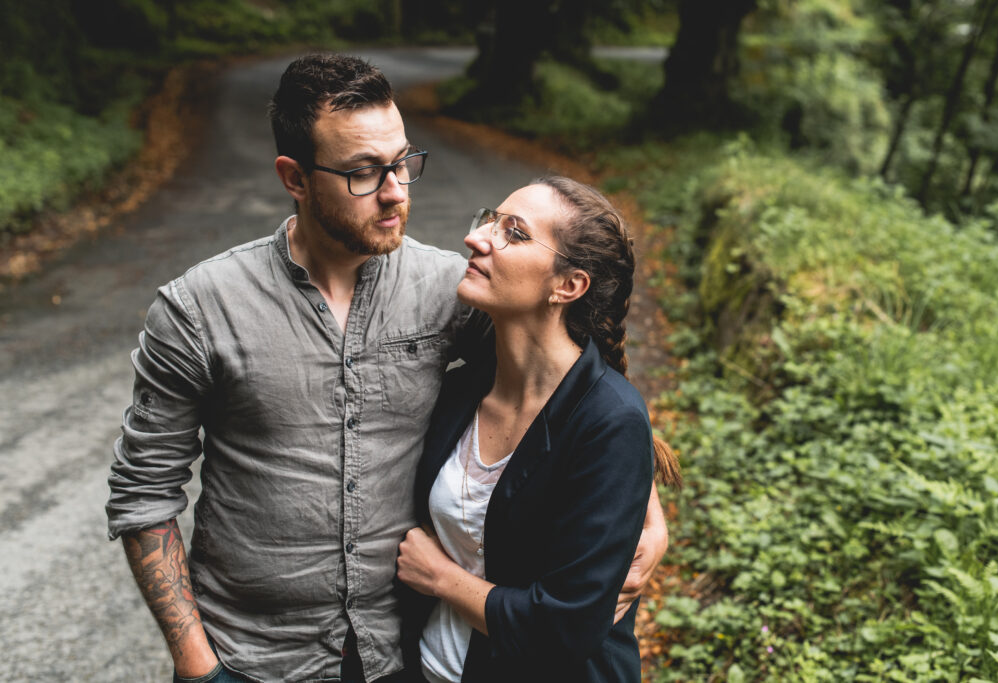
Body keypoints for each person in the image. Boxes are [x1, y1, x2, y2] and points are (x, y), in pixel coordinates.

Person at [106, 53, 668, 683]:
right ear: (295, 177)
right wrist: (197, 664)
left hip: (395, 654)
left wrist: (645, 511)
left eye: (402, 162)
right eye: (363, 174)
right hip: (253, 658)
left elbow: (566, 390)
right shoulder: (200, 309)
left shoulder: (451, 289)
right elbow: (143, 492)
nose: (396, 190)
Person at [396, 177, 681, 682]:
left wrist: (442, 578)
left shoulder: (609, 421)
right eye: (490, 219)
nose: (478, 237)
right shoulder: (461, 388)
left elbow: (565, 630)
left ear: (567, 286)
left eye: (515, 233)